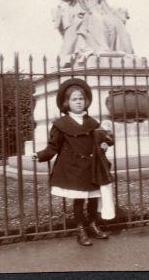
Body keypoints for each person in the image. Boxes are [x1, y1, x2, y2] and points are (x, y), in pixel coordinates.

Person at [32, 78, 114, 246]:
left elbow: (101, 141)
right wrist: (39, 155)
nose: (78, 102)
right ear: (66, 102)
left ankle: (92, 224)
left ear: (86, 101)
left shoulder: (92, 123)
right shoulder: (61, 124)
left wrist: (104, 144)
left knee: (93, 198)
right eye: (74, 99)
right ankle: (80, 230)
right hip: (73, 168)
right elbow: (53, 147)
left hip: (92, 167)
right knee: (79, 199)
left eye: (81, 99)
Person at [53, 0, 135, 66]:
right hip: (85, 12)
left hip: (99, 10)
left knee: (115, 22)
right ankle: (102, 49)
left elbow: (105, 5)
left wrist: (117, 12)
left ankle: (124, 51)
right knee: (97, 19)